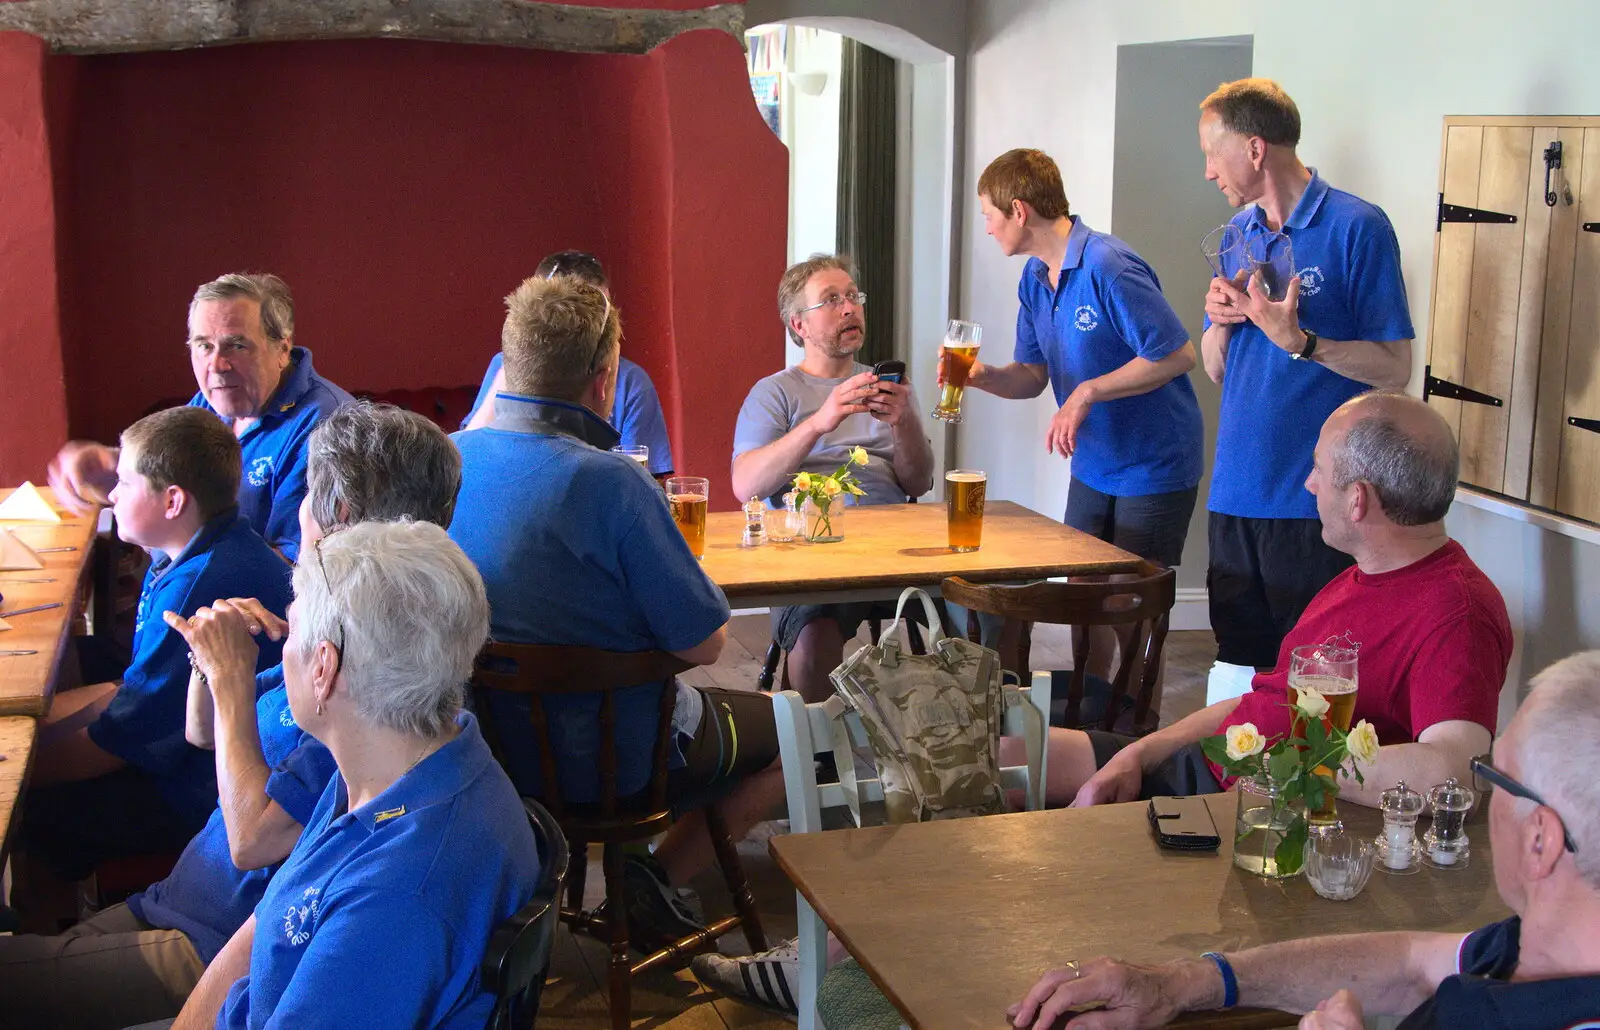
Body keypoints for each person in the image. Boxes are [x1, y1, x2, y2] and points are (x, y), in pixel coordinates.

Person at [0, 404, 461, 1030]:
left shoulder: (370, 671)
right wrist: (209, 659)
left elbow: (253, 843)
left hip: (206, 945)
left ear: (340, 517)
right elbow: (201, 732)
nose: (295, 517)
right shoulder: (326, 622)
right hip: (177, 901)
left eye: (305, 500)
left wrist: (232, 677)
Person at [450, 274, 785, 949]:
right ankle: (651, 883)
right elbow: (708, 644)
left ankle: (640, 883)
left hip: (486, 750)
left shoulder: (448, 461)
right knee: (796, 726)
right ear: (606, 377)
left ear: (507, 360)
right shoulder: (612, 481)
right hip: (616, 761)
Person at [1008, 650, 1600, 1030]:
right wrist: (1180, 984)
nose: (1483, 797)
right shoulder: (1530, 945)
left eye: (1496, 779)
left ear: (1543, 841)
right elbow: (1413, 962)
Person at [1022, 392, 1509, 810]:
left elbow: (1454, 773)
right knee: (996, 754)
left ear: (1357, 500)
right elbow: (1261, 700)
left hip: (1242, 807)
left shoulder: (1456, 613)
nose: (1309, 484)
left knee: (996, 788)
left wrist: (1289, 766)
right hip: (1207, 765)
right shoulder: (1357, 579)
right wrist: (1141, 753)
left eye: (1319, 469)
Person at [167, 521, 539, 1030]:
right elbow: (267, 926)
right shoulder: (395, 764)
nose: (283, 646)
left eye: (293, 631)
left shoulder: (399, 896)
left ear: (324, 667)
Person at [19, 407, 293, 915]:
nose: (114, 494)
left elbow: (118, 742)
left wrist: (22, 773)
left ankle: (50, 942)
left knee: (34, 813)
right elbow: (128, 692)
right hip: (197, 754)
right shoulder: (187, 551)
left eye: (125, 481)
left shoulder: (197, 583)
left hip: (207, 794)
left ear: (172, 500)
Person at [1197, 79, 1415, 692]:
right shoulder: (1238, 234)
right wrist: (1218, 321)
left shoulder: (1358, 227)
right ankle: (1232, 789)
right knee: (1239, 668)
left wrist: (1304, 343)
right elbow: (1218, 368)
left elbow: (1395, 367)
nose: (1209, 170)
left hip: (1314, 500)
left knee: (1317, 679)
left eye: (1214, 153)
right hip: (1235, 492)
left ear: (1255, 148)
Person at [970, 148, 1203, 570]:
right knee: (1081, 592)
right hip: (1093, 464)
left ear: (1018, 211)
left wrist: (1087, 392)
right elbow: (1030, 376)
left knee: (1128, 603)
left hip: (1152, 464)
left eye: (989, 215)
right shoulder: (1034, 276)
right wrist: (980, 375)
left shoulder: (1107, 266)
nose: (987, 228)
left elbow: (1177, 355)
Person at [731, 254, 935, 702]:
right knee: (814, 630)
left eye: (852, 297)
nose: (850, 308)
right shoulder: (775, 393)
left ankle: (990, 736)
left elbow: (918, 483)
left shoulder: (889, 389)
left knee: (986, 605)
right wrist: (819, 422)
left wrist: (905, 424)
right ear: (798, 324)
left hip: (894, 546)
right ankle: (814, 756)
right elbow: (747, 486)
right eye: (831, 300)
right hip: (813, 549)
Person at [48, 273, 353, 561]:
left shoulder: (326, 429)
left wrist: (170, 535)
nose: (217, 365)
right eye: (204, 346)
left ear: (282, 349)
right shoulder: (213, 404)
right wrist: (111, 471)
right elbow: (169, 479)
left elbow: (296, 570)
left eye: (236, 345)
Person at [461, 249, 676, 477]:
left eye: (596, 314)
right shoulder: (505, 365)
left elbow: (646, 481)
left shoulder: (631, 381)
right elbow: (467, 459)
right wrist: (514, 366)